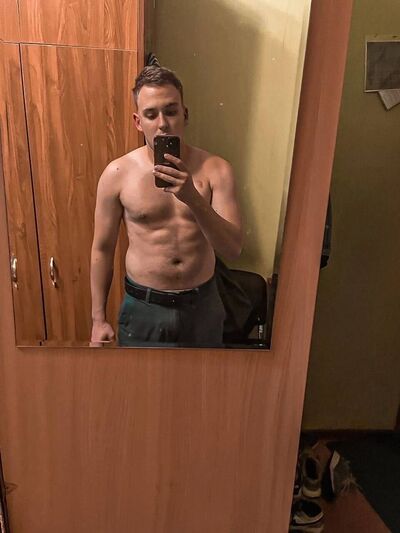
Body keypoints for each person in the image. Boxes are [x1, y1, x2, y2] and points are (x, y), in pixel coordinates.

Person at [90, 66, 243, 347]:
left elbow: (232, 249)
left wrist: (192, 198)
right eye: (151, 114)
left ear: (185, 114)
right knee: (139, 379)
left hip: (202, 307)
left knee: (204, 378)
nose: (162, 124)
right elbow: (102, 249)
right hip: (144, 309)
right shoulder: (117, 174)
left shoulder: (217, 170)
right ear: (138, 122)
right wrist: (98, 319)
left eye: (171, 111)